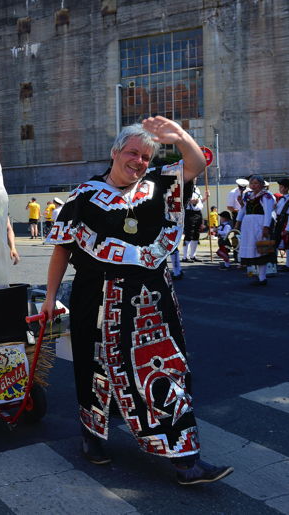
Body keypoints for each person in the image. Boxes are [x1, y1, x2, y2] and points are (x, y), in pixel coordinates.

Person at [42, 116, 232, 486]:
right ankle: (93, 436)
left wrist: (180, 138)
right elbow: (62, 250)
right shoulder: (83, 195)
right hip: (95, 298)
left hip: (151, 301)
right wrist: (50, 298)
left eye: (146, 156)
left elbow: (196, 165)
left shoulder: (158, 185)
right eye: (133, 153)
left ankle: (185, 459)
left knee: (167, 369)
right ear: (115, 152)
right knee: (93, 369)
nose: (139, 161)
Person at [235, 175, 275, 286]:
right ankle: (258, 275)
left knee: (261, 248)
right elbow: (243, 209)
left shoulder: (266, 196)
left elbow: (268, 212)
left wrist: (266, 226)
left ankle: (263, 277)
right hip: (248, 225)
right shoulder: (248, 195)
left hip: (259, 223)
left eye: (256, 183)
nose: (254, 185)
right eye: (252, 183)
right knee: (253, 249)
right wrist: (238, 222)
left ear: (262, 184)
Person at [273, 178, 289, 271]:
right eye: (280, 186)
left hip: (285, 223)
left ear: (286, 188)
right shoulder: (280, 199)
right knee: (275, 243)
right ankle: (273, 262)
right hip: (278, 222)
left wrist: (288, 229)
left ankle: (288, 265)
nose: (280, 188)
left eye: (281, 186)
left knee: (287, 244)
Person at [182, 181, 203, 262]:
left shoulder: (197, 188)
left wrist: (205, 197)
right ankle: (185, 257)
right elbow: (183, 200)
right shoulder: (185, 187)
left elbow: (200, 202)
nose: (195, 179)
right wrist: (191, 201)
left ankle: (193, 255)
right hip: (189, 213)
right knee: (189, 234)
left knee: (196, 234)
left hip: (198, 213)